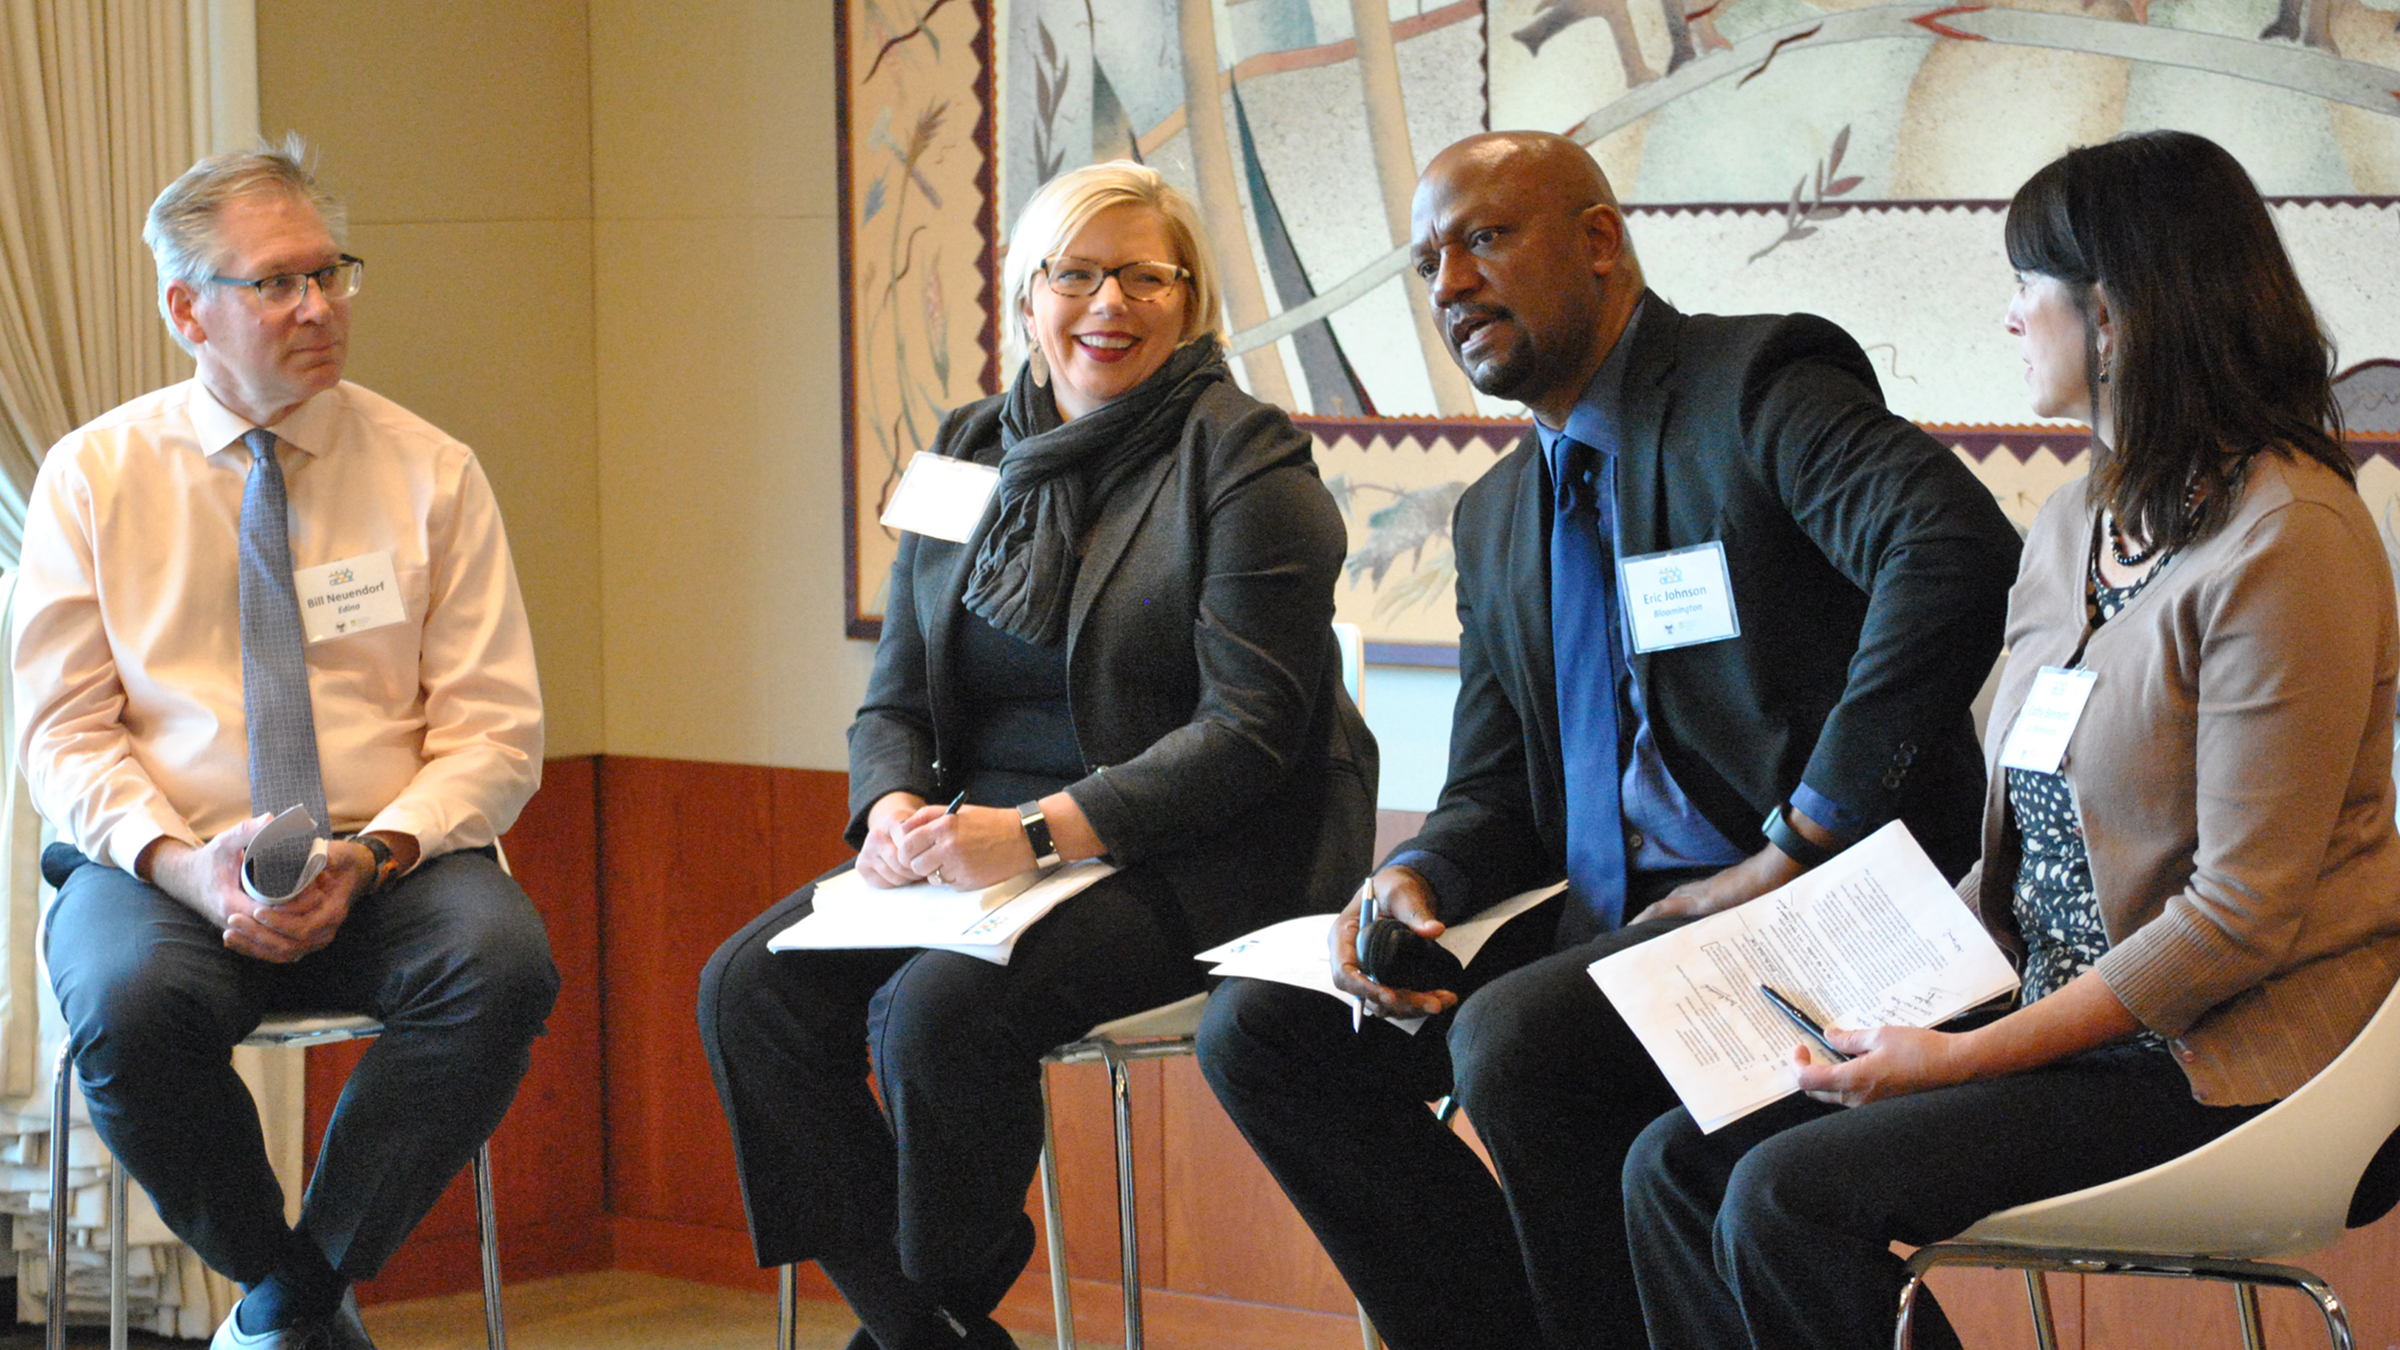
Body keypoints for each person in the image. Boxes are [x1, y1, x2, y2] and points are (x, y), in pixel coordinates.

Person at [1195, 130, 2024, 1350]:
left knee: (1521, 1040)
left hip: (1824, 912)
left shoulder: (1755, 388)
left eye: (1483, 238)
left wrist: (1801, 838)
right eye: (1428, 262)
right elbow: (1492, 790)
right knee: (1268, 1036)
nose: (1451, 285)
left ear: (1598, 242)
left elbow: (1953, 548)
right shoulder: (1496, 517)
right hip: (1618, 923)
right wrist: (1417, 876)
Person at [1622, 129, 2400, 1350]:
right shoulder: (2082, 515)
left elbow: (2241, 915)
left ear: (2119, 313)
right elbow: (2029, 846)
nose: (2009, 319)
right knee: (1674, 1162)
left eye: (2024, 287)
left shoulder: (2291, 540)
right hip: (2054, 1008)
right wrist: (1878, 999)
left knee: (1785, 1198)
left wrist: (1954, 1064)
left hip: (2219, 1054)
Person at [695, 160, 1376, 1350]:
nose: (1107, 304)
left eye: (1143, 276)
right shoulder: (970, 448)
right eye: (1075, 273)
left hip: (1192, 849)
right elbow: (896, 693)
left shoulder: (1243, 457)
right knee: (748, 990)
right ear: (1027, 300)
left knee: (933, 1014)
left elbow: (1252, 732)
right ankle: (925, 1321)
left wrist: (1035, 833)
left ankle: (936, 1302)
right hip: (980, 845)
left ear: (1191, 300)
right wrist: (898, 804)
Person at [10, 138, 556, 1350]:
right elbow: (63, 732)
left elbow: (495, 730)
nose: (319, 307)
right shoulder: (92, 477)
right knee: (124, 998)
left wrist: (374, 854)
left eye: (332, 273)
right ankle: (295, 1299)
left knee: (504, 965)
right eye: (276, 282)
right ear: (186, 309)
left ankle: (281, 1307)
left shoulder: (431, 472)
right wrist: (179, 863)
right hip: (168, 862)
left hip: (389, 860)